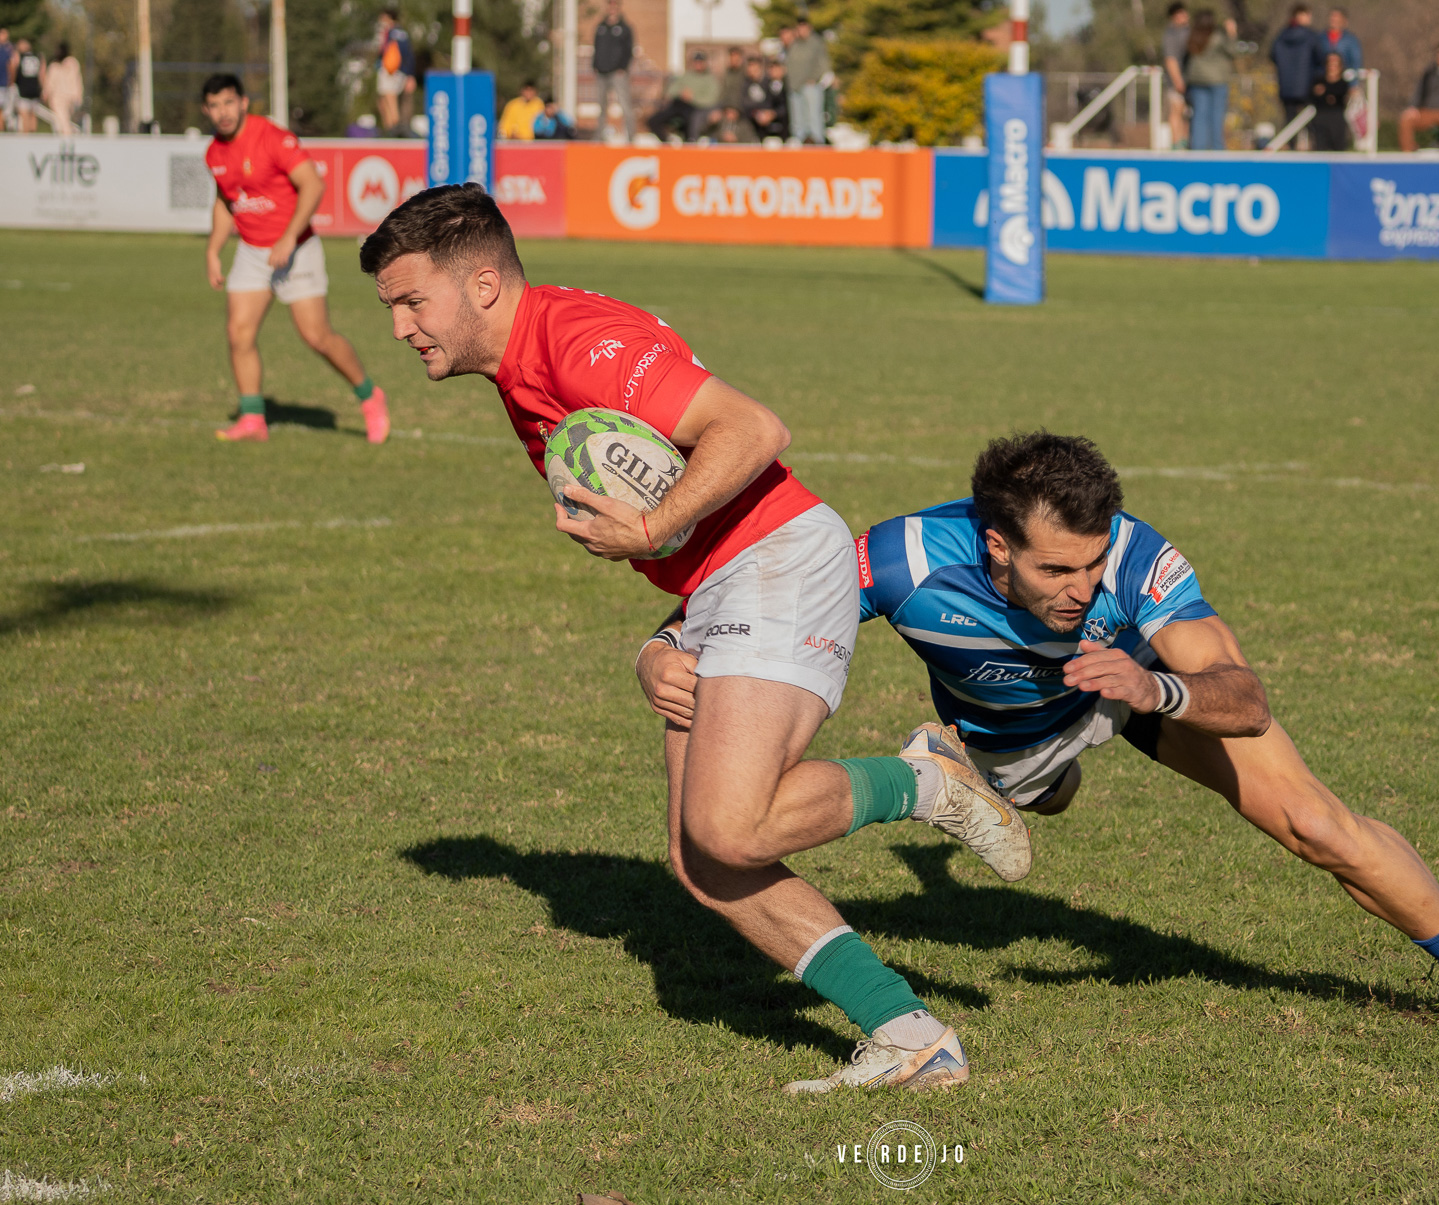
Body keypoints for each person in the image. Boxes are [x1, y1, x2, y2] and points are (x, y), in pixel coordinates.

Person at [361, 184, 1034, 1093]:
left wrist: (649, 528)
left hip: (779, 557)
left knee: (729, 824)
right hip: (724, 583)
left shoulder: (577, 342)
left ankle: (924, 780)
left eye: (412, 301)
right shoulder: (523, 361)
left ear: (482, 285)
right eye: (391, 307)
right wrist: (661, 641)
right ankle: (911, 1035)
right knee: (705, 859)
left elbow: (753, 429)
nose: (400, 327)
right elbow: (682, 525)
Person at [642, 433, 1439, 1054]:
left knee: (1317, 823)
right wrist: (664, 645)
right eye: (1059, 568)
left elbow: (1246, 699)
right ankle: (996, 781)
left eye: (1094, 561)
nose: (1083, 586)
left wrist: (1155, 685)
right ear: (995, 546)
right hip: (1010, 744)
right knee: (1036, 795)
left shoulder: (1135, 562)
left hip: (1143, 693)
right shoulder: (903, 559)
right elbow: (761, 599)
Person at [200, 75, 388, 444]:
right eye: (214, 105)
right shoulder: (214, 153)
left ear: (243, 102)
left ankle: (370, 396)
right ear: (206, 110)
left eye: (228, 102)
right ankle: (253, 419)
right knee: (239, 333)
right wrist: (212, 250)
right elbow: (225, 201)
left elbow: (313, 184)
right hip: (252, 251)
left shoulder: (271, 137)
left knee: (317, 337)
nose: (223, 112)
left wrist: (288, 237)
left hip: (297, 248)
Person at [1269, 4, 1322, 148]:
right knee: (1310, 116)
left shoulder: (1281, 35)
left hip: (1286, 84)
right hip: (1307, 84)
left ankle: (1291, 147)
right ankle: (1316, 145)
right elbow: (1320, 57)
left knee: (1290, 118)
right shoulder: (1311, 36)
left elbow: (1272, 55)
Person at [1184, 9, 1235, 152]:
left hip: (1197, 80)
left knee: (1199, 115)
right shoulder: (1217, 37)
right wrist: (1231, 33)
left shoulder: (1192, 37)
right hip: (1217, 81)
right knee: (1217, 115)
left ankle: (1198, 149)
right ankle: (1217, 149)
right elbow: (1233, 51)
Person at [647, 50, 719, 143]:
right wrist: (681, 93)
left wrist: (693, 97)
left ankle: (690, 143)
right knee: (653, 121)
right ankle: (667, 141)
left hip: (695, 108)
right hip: (678, 104)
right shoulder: (686, 76)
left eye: (700, 62)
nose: (698, 64)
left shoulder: (710, 80)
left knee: (691, 124)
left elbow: (710, 99)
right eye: (696, 62)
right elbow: (672, 89)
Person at [591, 0, 636, 142]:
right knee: (602, 106)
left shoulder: (625, 28)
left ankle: (630, 137)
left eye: (614, 5)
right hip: (602, 71)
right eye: (609, 5)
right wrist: (595, 65)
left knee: (624, 104)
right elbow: (596, 47)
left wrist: (623, 67)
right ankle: (599, 137)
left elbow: (629, 50)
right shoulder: (601, 27)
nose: (612, 8)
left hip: (618, 72)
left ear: (618, 7)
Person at [785, 17, 831, 144]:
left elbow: (823, 64)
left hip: (810, 86)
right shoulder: (794, 44)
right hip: (794, 86)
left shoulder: (816, 43)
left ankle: (817, 142)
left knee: (813, 117)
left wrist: (814, 78)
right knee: (797, 119)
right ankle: (799, 142)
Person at [373, 9, 416, 135]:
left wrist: (409, 74)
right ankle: (389, 128)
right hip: (385, 69)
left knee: (390, 96)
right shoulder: (386, 32)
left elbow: (407, 54)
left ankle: (395, 128)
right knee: (383, 99)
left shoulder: (398, 33)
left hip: (394, 70)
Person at [1161, 2, 1191, 150]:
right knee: (1177, 110)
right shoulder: (1170, 34)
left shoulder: (1189, 31)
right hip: (1177, 80)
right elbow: (1170, 60)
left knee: (1187, 112)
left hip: (1190, 79)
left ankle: (1185, 141)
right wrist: (1177, 80)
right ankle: (1176, 142)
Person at [1310, 52, 1350, 151]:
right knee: (1320, 148)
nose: (1332, 67)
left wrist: (1325, 91)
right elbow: (1313, 95)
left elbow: (1340, 95)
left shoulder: (1343, 83)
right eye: (1330, 63)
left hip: (1337, 118)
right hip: (1321, 117)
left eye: (1335, 64)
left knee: (1338, 148)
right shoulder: (1318, 80)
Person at [41, 41, 80, 136]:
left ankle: (67, 138)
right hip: (57, 97)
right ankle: (65, 137)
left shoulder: (72, 63)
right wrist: (45, 93)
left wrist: (77, 97)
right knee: (60, 120)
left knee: (64, 121)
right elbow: (50, 82)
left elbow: (76, 80)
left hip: (69, 97)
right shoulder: (54, 65)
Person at [745, 56, 787, 141]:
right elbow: (748, 105)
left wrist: (772, 114)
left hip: (780, 128)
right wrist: (758, 114)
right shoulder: (748, 84)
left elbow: (784, 106)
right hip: (760, 128)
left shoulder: (779, 85)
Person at [1320, 7, 1362, 79]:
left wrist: (1353, 82)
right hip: (1324, 80)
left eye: (1337, 17)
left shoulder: (1351, 40)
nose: (1334, 20)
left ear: (1344, 20)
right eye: (1332, 17)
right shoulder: (1320, 38)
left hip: (1345, 80)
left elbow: (1356, 63)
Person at [11, 38, 37, 133]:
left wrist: (12, 82)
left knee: (24, 114)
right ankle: (33, 133)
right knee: (33, 114)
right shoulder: (37, 56)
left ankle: (27, 136)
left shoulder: (19, 56)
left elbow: (13, 69)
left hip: (23, 89)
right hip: (35, 88)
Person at [0, 29, 16, 133]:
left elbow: (11, 66)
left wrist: (11, 81)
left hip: (3, 84)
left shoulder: (8, 49)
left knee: (3, 109)